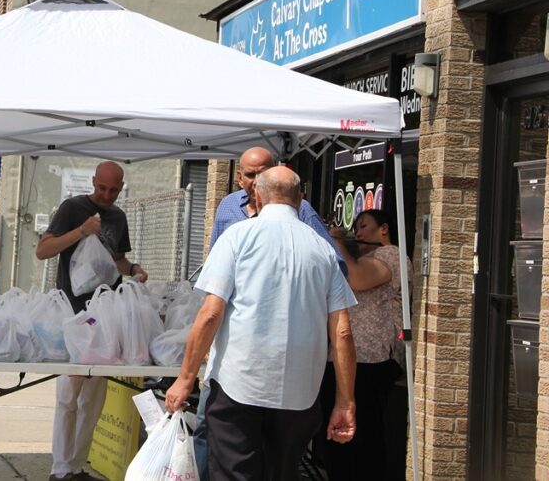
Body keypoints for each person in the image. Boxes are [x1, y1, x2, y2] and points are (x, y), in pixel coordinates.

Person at [165, 167, 358, 481]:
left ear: (257, 195)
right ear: (301, 200)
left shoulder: (238, 237)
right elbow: (343, 331)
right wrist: (345, 401)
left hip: (238, 384)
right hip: (301, 393)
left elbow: (210, 313)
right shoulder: (323, 250)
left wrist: (185, 378)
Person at [35, 161, 148, 481]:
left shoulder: (118, 217)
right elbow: (43, 251)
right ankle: (59, 468)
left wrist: (135, 269)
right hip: (72, 314)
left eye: (114, 190)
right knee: (68, 394)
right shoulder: (73, 208)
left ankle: (76, 465)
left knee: (93, 397)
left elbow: (117, 260)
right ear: (93, 182)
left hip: (104, 315)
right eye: (102, 188)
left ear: (121, 188)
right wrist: (81, 231)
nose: (107, 195)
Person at [317, 209, 410, 480]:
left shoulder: (392, 255)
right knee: (337, 440)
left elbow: (356, 278)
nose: (358, 233)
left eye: (365, 226)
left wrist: (336, 241)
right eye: (355, 227)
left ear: (384, 229)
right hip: (344, 359)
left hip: (372, 361)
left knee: (364, 437)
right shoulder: (360, 256)